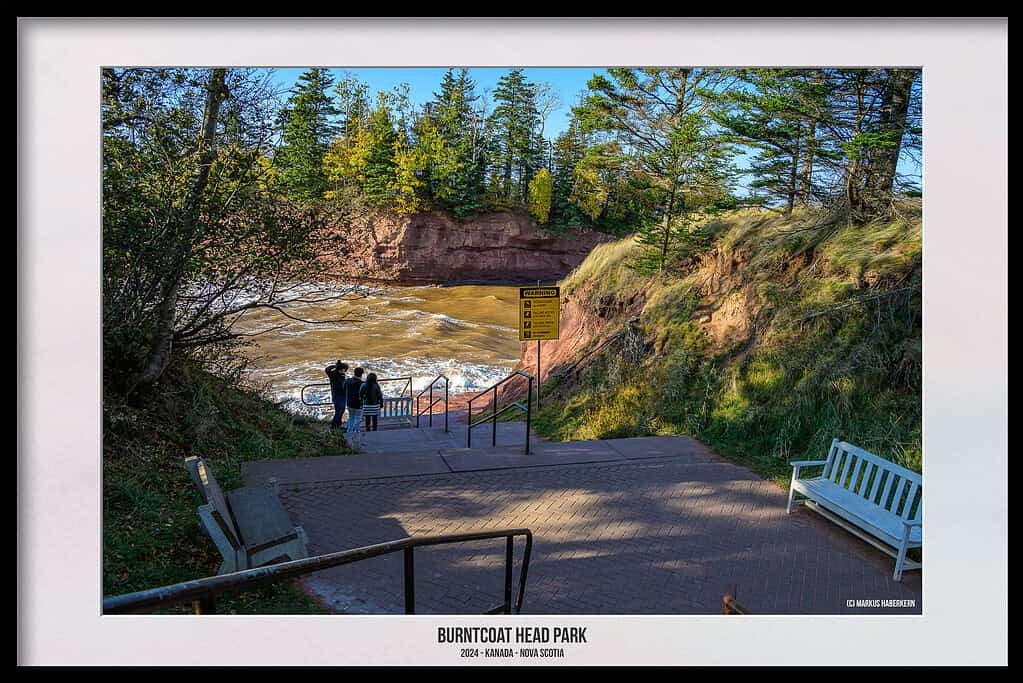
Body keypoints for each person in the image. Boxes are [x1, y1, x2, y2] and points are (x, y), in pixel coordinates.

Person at [343, 367, 365, 442]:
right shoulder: (362, 384)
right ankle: (356, 432)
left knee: (351, 417)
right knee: (358, 418)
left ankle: (349, 432)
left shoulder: (347, 381)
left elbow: (343, 388)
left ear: (354, 373)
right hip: (358, 404)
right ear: (361, 374)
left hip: (349, 402)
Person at [324, 361, 348, 431]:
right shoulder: (333, 375)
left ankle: (338, 425)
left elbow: (346, 366)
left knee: (342, 410)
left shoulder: (342, 375)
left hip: (343, 395)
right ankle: (333, 426)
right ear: (339, 369)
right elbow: (327, 369)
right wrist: (335, 366)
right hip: (336, 396)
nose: (344, 371)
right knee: (338, 411)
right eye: (343, 369)